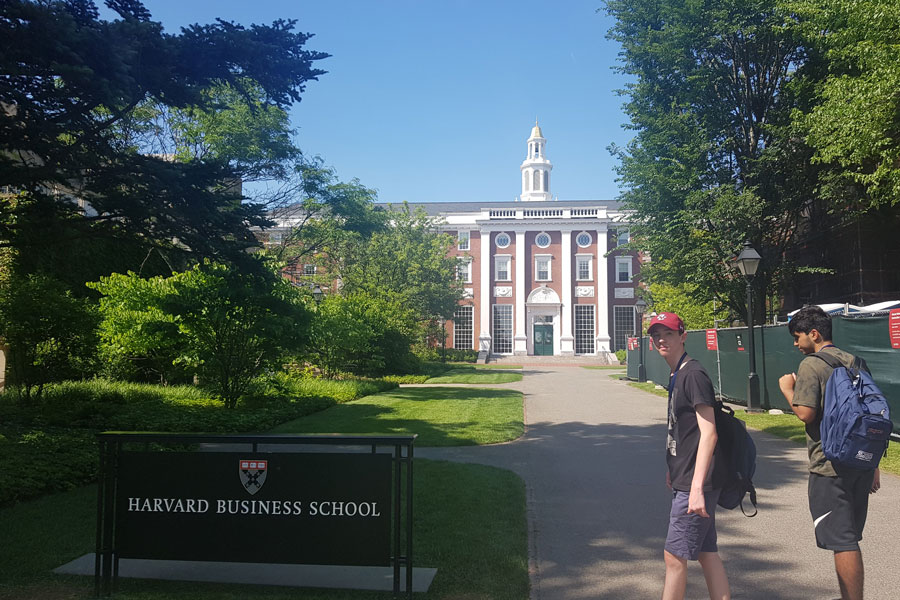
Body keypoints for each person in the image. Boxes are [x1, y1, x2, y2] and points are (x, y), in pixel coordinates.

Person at [778, 306, 880, 600]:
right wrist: (873, 465)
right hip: (860, 463)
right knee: (849, 535)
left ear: (814, 334)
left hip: (829, 465)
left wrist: (787, 389)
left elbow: (806, 413)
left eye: (798, 337)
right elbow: (869, 415)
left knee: (842, 541)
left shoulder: (812, 364)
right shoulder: (855, 362)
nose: (796, 344)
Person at [648, 312, 730, 600]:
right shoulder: (677, 372)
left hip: (696, 482)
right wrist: (673, 466)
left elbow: (709, 433)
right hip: (686, 475)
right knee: (707, 552)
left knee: (674, 556)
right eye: (656, 335)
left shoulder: (692, 374)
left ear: (683, 336)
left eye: (669, 334)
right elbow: (683, 429)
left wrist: (696, 489)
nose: (661, 340)